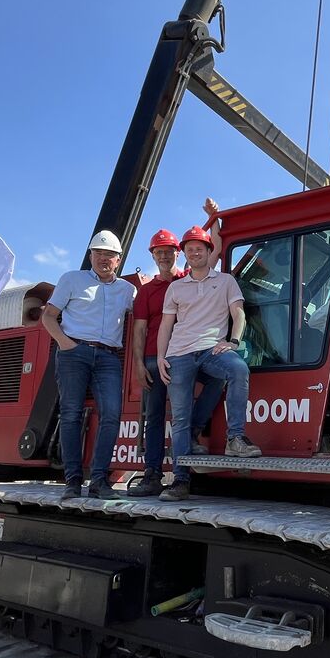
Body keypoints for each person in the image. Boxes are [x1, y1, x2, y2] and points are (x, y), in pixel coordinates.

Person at [127, 202, 226, 497]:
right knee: (156, 415)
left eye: (169, 251)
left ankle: (194, 432)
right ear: (153, 256)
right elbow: (140, 329)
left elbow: (216, 249)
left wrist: (213, 218)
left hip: (186, 352)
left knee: (216, 380)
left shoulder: (188, 279)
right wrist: (138, 364)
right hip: (154, 360)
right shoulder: (146, 291)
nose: (164, 255)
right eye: (159, 252)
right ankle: (153, 475)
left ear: (177, 253)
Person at [156, 225, 261, 501]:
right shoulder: (176, 288)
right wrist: (160, 356)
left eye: (199, 248)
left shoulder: (225, 281)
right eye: (189, 249)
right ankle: (180, 481)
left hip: (211, 349)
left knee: (238, 369)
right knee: (179, 418)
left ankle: (235, 438)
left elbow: (238, 315)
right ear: (185, 254)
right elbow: (166, 325)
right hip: (179, 354)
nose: (194, 253)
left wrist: (234, 342)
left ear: (208, 251)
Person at [42, 230, 137, 500]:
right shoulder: (72, 279)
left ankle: (98, 481)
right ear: (90, 255)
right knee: (71, 414)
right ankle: (72, 481)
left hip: (108, 357)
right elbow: (49, 317)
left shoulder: (128, 291)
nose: (103, 258)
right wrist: (65, 344)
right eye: (98, 253)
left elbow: (147, 315)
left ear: (118, 260)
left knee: (112, 414)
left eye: (109, 255)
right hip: (74, 352)